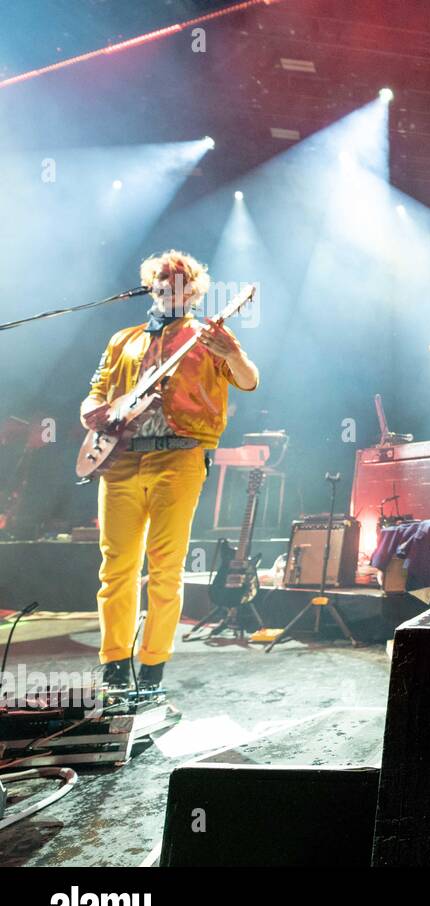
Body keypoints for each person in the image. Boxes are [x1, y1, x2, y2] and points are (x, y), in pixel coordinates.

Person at [81, 251, 259, 688]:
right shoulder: (124, 339)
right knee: (115, 567)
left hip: (178, 455)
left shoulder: (208, 335)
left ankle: (153, 668)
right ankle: (116, 666)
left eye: (179, 280)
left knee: (165, 567)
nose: (168, 285)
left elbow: (249, 379)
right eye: (161, 279)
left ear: (194, 290)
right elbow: (96, 392)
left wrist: (233, 352)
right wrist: (91, 412)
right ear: (151, 285)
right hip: (120, 458)